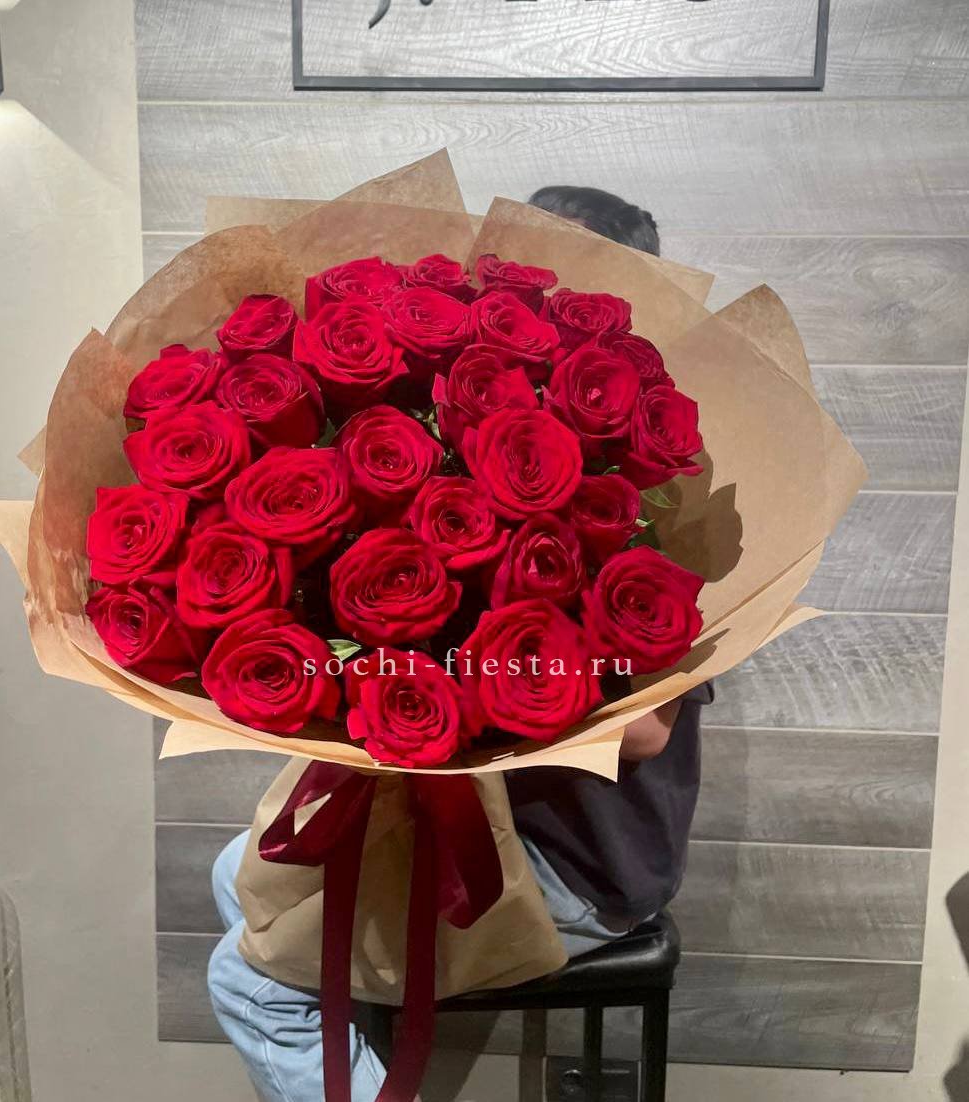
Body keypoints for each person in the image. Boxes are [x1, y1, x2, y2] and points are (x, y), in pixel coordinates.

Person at [206, 186, 710, 1102]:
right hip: (505, 827)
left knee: (246, 980)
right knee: (231, 876)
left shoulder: (649, 526)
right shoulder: (508, 452)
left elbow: (643, 733)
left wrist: (480, 670)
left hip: (581, 868)